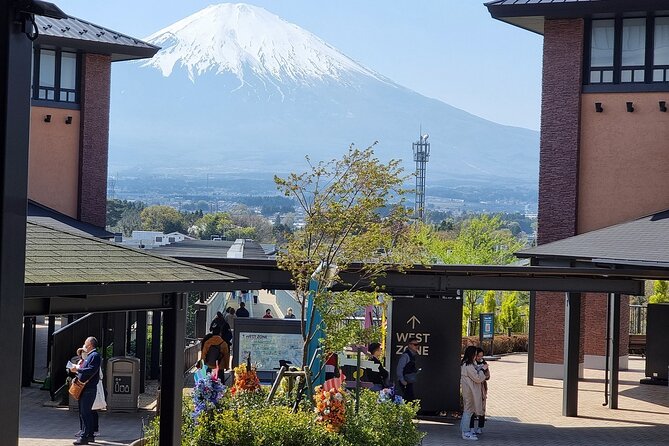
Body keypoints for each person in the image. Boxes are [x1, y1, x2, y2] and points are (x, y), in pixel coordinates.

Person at [70, 336, 102, 445]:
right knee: (84, 412)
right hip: (84, 388)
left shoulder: (95, 356)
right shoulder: (90, 356)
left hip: (88, 388)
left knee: (85, 412)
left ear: (90, 345)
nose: (84, 345)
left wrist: (78, 369)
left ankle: (85, 435)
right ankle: (89, 435)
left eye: (85, 343)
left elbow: (91, 370)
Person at [460, 345, 488, 441]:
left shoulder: (466, 364)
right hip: (470, 392)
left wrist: (479, 368)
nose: (476, 357)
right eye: (475, 355)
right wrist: (483, 370)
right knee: (468, 412)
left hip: (468, 391)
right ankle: (466, 432)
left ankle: (465, 431)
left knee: (468, 412)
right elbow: (477, 378)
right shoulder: (468, 366)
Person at [469, 347, 490, 435]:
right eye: (478, 356)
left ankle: (480, 427)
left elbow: (488, 376)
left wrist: (483, 371)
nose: (479, 358)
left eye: (481, 356)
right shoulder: (470, 364)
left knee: (482, 408)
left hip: (481, 388)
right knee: (472, 408)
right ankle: (471, 428)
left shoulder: (484, 363)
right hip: (473, 387)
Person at [396, 337, 420, 401]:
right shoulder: (405, 356)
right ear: (410, 345)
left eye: (418, 345)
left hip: (409, 382)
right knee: (407, 400)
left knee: (410, 400)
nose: (417, 346)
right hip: (404, 383)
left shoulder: (413, 356)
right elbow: (399, 369)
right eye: (415, 345)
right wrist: (402, 381)